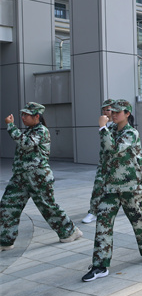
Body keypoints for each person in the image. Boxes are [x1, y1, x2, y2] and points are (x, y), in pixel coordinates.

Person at [82, 99, 142, 282]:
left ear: (127, 114)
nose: (113, 115)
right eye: (112, 112)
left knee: (137, 221)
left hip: (129, 187)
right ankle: (100, 265)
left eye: (117, 112)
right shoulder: (111, 131)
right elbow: (104, 157)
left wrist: (102, 128)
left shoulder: (131, 133)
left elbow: (113, 148)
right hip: (111, 187)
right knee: (103, 223)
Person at [1, 102, 83, 251]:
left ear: (36, 116)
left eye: (26, 115)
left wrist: (11, 126)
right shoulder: (29, 130)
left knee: (47, 207)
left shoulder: (41, 130)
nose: (23, 117)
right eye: (23, 114)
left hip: (37, 177)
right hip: (20, 177)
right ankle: (5, 240)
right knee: (8, 205)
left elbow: (26, 144)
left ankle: (70, 231)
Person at [83, 99, 115, 223]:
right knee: (98, 187)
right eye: (103, 110)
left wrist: (103, 127)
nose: (105, 112)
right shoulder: (105, 124)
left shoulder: (118, 125)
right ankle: (93, 212)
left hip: (117, 164)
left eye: (108, 109)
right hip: (104, 163)